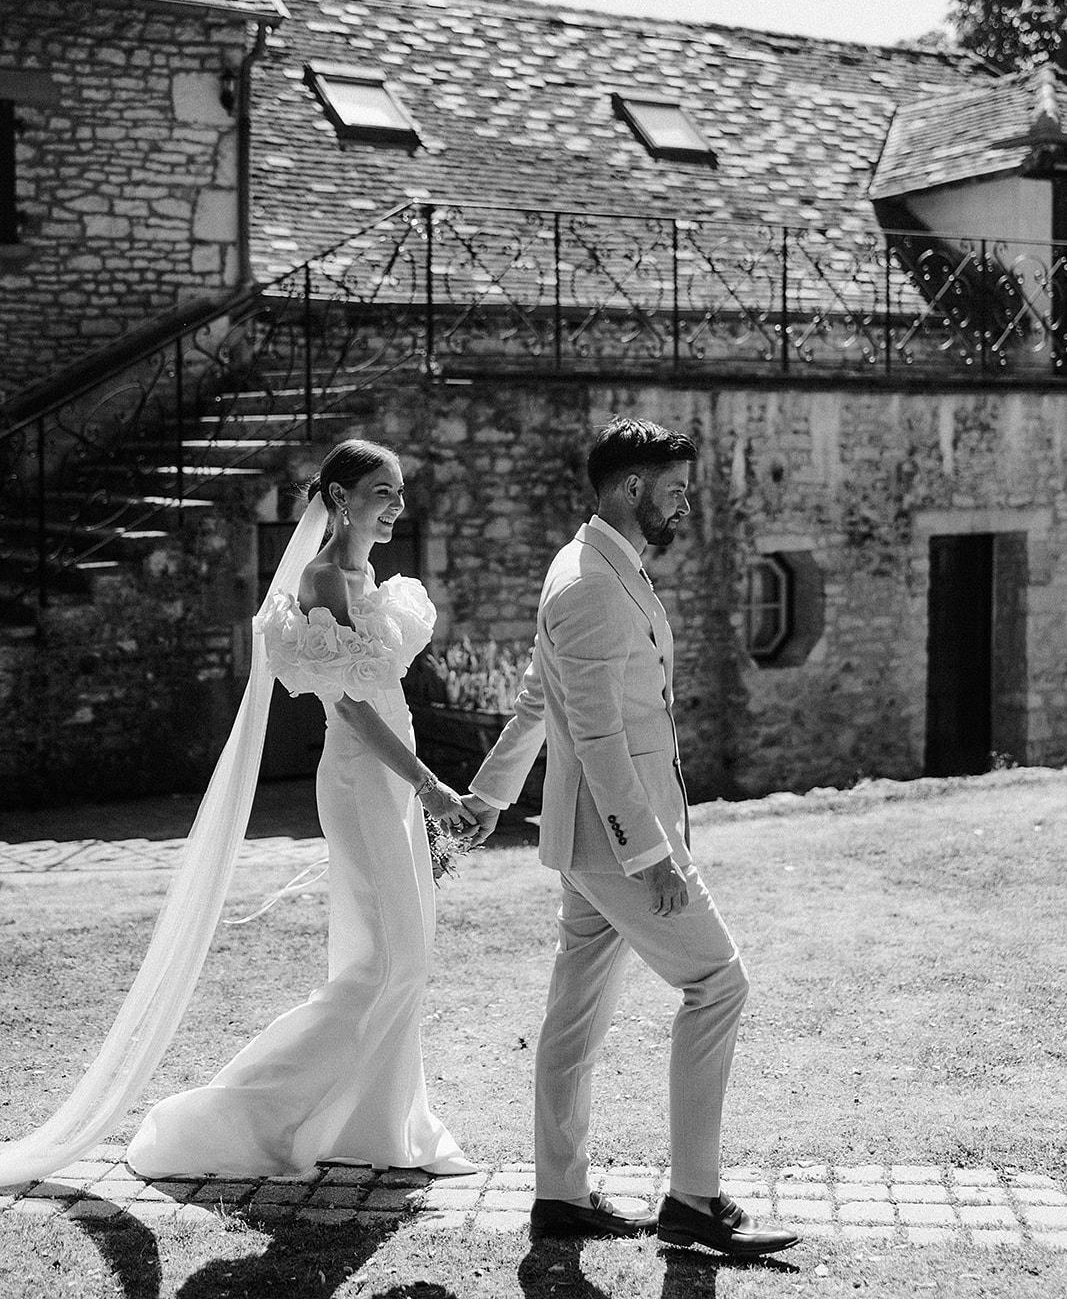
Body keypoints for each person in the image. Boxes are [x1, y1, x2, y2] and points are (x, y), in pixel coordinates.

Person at [462, 418, 799, 1256]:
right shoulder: (588, 587)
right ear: (631, 487)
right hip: (618, 845)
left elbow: (541, 703)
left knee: (574, 1021)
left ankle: (560, 1197)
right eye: (675, 488)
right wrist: (651, 857)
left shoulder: (596, 568)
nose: (685, 502)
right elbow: (602, 738)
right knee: (717, 984)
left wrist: (490, 793)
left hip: (588, 844)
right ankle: (692, 1200)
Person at [125, 438, 478, 1178]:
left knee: (393, 958)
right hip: (362, 778)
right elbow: (350, 707)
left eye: (401, 492)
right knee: (391, 960)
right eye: (384, 491)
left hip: (392, 772)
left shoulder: (366, 571)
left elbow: (380, 686)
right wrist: (427, 784)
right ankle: (246, 1114)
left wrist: (417, 782)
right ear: (342, 497)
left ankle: (375, 1123)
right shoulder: (322, 580)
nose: (397, 507)